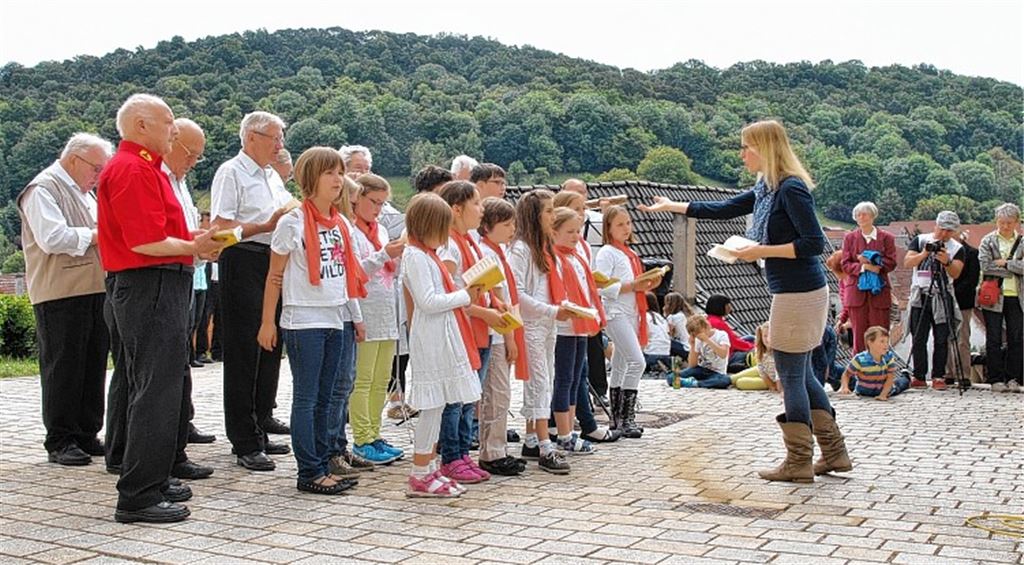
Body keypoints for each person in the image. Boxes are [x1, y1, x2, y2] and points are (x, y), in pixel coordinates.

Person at [640, 119, 850, 483]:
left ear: (764, 149)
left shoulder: (791, 189)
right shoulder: (767, 188)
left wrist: (759, 250)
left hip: (800, 293)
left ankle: (799, 461)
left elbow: (813, 244)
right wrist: (673, 205)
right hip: (793, 291)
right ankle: (833, 453)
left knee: (789, 374)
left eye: (746, 148)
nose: (742, 155)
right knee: (799, 373)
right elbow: (725, 207)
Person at [98, 93, 222, 523]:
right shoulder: (133, 168)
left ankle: (151, 474)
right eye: (168, 121)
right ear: (140, 125)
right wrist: (195, 245)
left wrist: (192, 246)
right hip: (148, 283)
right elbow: (144, 240)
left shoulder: (145, 167)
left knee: (156, 385)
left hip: (159, 282)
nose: (174, 129)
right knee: (156, 389)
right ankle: (138, 494)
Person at [256, 147, 361, 494]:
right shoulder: (292, 222)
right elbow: (274, 276)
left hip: (335, 317)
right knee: (307, 397)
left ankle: (324, 461)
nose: (337, 180)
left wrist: (352, 316)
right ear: (310, 178)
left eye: (340, 172)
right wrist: (267, 322)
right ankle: (309, 471)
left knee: (329, 396)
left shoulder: (342, 223)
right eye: (329, 173)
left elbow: (347, 275)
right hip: (303, 320)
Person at [17, 132, 112, 466]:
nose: (99, 176)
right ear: (75, 160)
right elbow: (53, 237)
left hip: (94, 286)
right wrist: (102, 235)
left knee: (93, 363)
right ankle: (60, 439)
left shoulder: (84, 192)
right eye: (96, 168)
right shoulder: (43, 189)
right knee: (64, 364)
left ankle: (87, 433)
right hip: (60, 290)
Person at [210, 111, 294, 470]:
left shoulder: (271, 175)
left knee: (270, 345)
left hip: (274, 259)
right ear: (251, 137)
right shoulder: (231, 172)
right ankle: (243, 439)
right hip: (243, 258)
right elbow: (221, 226)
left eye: (281, 138)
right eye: (274, 137)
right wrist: (266, 224)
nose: (280, 145)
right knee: (245, 348)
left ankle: (261, 422)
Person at [402, 192, 483, 497]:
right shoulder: (416, 256)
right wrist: (466, 296)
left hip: (443, 334)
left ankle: (428, 467)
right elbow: (428, 301)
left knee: (438, 405)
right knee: (432, 405)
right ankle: (420, 471)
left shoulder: (428, 256)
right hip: (431, 337)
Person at [437, 181, 507, 483]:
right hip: (464, 330)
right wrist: (486, 311)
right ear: (456, 209)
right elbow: (454, 296)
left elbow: (480, 284)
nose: (481, 209)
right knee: (456, 401)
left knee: (470, 399)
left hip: (480, 330)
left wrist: (496, 300)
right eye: (476, 203)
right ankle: (450, 456)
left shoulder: (470, 242)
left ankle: (464, 453)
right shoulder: (450, 245)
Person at [162, 118, 218, 459]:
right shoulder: (153, 178)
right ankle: (137, 453)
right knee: (154, 374)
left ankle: (178, 434)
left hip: (181, 272)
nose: (194, 161)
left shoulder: (180, 182)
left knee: (176, 365)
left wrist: (199, 246)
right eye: (190, 153)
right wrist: (193, 245)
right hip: (157, 278)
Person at [510, 189, 576, 474]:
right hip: (533, 324)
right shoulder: (521, 249)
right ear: (534, 216)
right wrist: (551, 310)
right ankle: (546, 446)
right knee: (538, 382)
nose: (553, 216)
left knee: (544, 378)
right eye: (548, 211)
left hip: (547, 323)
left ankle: (531, 438)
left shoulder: (544, 247)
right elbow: (518, 293)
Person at [551, 190, 620, 443]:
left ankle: (568, 430)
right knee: (566, 379)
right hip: (565, 325)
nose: (577, 235)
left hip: (580, 323)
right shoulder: (557, 257)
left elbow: (586, 284)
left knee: (576, 376)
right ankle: (566, 432)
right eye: (571, 230)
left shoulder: (578, 251)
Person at [349, 174, 406, 464]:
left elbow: (388, 270)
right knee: (364, 378)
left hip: (386, 309)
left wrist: (395, 259)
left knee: (383, 378)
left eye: (382, 204)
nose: (378, 209)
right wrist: (384, 254)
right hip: (365, 309)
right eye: (373, 202)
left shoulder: (381, 230)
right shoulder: (350, 230)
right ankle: (361, 437)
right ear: (356, 197)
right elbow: (354, 271)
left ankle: (374, 433)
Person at [595, 205, 663, 438]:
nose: (626, 228)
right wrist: (632, 286)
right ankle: (626, 418)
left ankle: (619, 419)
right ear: (609, 228)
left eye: (628, 223)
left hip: (631, 310)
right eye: (620, 224)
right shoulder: (607, 253)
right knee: (637, 362)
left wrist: (644, 284)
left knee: (621, 364)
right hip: (616, 311)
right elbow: (600, 286)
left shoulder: (628, 253)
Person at [477, 197, 528, 475]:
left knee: (500, 394)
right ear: (488, 226)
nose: (512, 229)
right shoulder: (487, 254)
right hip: (496, 334)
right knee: (497, 395)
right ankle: (492, 452)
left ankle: (495, 448)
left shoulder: (500, 252)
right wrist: (509, 335)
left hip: (503, 330)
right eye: (506, 224)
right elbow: (498, 297)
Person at [903, 211, 966, 390]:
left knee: (941, 337)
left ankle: (939, 375)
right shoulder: (921, 240)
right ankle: (919, 375)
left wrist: (947, 261)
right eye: (942, 229)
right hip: (920, 294)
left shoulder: (956, 248)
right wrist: (924, 254)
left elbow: (956, 273)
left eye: (949, 231)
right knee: (919, 336)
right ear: (935, 225)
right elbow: (908, 263)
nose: (944, 234)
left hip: (942, 293)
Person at [978, 203, 1023, 393]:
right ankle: (995, 378)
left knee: (1016, 338)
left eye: (1009, 223)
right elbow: (986, 266)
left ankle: (1013, 377)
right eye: (1002, 222)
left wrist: (1005, 264)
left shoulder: (1021, 241)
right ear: (996, 221)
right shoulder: (988, 240)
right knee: (994, 338)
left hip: (1017, 297)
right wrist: (1014, 267)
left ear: (1017, 223)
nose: (1005, 226)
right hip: (994, 296)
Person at [841, 202, 898, 353]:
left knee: (880, 334)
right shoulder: (849, 238)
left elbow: (892, 262)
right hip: (856, 292)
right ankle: (860, 372)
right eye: (858, 215)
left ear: (873, 216)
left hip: (879, 291)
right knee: (859, 335)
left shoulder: (887, 238)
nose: (861, 217)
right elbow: (845, 264)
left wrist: (876, 263)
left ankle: (880, 370)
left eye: (865, 214)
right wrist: (863, 267)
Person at [944, 231, 980, 387]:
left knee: (962, 339)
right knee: (944, 338)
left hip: (963, 301)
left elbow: (972, 279)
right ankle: (947, 373)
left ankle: (963, 374)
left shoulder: (971, 253)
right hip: (943, 299)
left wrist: (953, 292)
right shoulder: (941, 251)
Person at [839, 326, 909, 400]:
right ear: (870, 342)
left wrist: (883, 395)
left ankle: (905, 376)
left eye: (887, 342)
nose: (886, 345)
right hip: (863, 391)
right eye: (882, 341)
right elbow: (846, 374)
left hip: (886, 389)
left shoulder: (888, 357)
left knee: (901, 384)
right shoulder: (860, 359)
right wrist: (845, 387)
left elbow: (890, 377)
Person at [671, 314, 731, 389]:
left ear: (706, 326)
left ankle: (695, 383)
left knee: (725, 381)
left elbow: (723, 354)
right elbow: (692, 365)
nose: (698, 336)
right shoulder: (697, 339)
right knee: (671, 377)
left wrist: (707, 340)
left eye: (699, 332)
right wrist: (692, 345)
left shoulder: (721, 335)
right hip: (701, 370)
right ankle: (694, 382)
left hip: (717, 373)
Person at [704, 294, 754, 373]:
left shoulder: (710, 319)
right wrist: (752, 347)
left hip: (721, 352)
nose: (730, 308)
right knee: (752, 353)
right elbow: (733, 343)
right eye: (728, 305)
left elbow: (733, 338)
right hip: (726, 355)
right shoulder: (718, 323)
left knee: (750, 338)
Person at [731, 323, 776, 392]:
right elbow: (761, 369)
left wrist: (772, 385)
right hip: (763, 372)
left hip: (772, 378)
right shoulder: (760, 349)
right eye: (765, 336)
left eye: (770, 336)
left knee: (740, 382)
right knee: (732, 378)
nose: (767, 339)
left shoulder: (778, 352)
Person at [643, 292, 672, 374]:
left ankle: (653, 363)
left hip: (650, 353)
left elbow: (645, 335)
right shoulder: (661, 318)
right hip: (666, 353)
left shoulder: (644, 317)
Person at [662, 292, 693, 362]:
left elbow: (668, 333)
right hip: (690, 347)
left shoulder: (672, 318)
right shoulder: (684, 315)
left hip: (683, 347)